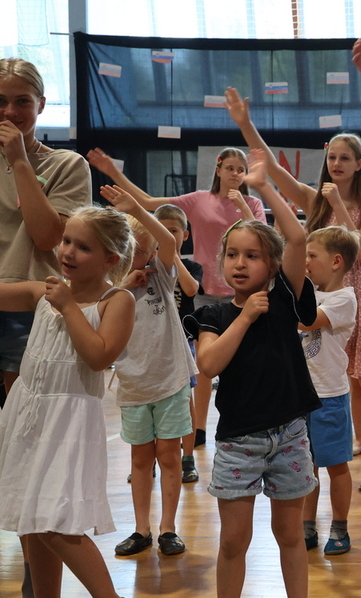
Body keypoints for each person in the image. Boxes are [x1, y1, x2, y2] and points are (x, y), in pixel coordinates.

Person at [185, 162, 323, 598]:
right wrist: (243, 317)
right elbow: (208, 364)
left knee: (290, 537)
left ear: (273, 263)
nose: (240, 264)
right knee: (233, 541)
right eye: (232, 255)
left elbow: (297, 236)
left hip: (289, 434)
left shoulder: (285, 294)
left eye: (253, 255)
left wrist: (264, 186)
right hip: (238, 440)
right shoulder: (214, 312)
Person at [224, 99, 361, 494]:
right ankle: (354, 441)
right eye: (332, 157)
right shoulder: (314, 199)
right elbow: (273, 169)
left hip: (358, 298)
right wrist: (246, 124)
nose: (336, 163)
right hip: (316, 295)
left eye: (345, 158)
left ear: (359, 164)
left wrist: (337, 205)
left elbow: (360, 249)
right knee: (340, 379)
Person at [0, 206, 139, 598]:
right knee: (31, 520)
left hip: (69, 422)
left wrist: (66, 307)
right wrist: (57, 299)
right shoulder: (44, 291)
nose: (68, 252)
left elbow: (99, 356)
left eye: (83, 247)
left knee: (55, 522)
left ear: (111, 258)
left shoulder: (117, 301)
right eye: (66, 242)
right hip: (27, 414)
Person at [89, 146, 267, 452]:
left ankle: (251, 421)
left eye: (241, 169)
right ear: (218, 170)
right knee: (204, 365)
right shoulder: (199, 199)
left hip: (244, 292)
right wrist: (113, 171)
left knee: (248, 361)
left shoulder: (252, 203)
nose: (236, 174)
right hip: (207, 294)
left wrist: (243, 205)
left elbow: (264, 237)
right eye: (230, 168)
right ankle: (199, 430)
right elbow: (148, 203)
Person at [0, 58, 92, 598]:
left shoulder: (66, 165)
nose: (10, 112)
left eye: (21, 101)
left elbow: (47, 236)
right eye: (0, 101)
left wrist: (18, 162)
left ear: (40, 105)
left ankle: (38, 591)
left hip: (30, 317)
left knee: (27, 456)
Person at [102, 186, 198, 557]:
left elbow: (167, 241)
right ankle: (141, 529)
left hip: (170, 380)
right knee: (140, 460)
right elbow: (97, 315)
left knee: (169, 457)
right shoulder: (112, 283)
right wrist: (124, 286)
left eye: (145, 248)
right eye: (135, 249)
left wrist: (140, 210)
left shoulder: (162, 272)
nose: (142, 255)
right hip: (134, 385)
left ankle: (168, 528)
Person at [297, 224, 360, 555]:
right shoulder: (308, 292)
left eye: (311, 255)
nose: (305, 262)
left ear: (336, 262)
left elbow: (306, 321)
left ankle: (340, 527)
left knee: (335, 466)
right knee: (306, 465)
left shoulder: (343, 298)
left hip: (329, 396)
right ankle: (307, 525)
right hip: (300, 396)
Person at [153, 204, 204, 483]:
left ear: (185, 235)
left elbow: (191, 288)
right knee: (149, 399)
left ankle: (188, 458)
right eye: (160, 230)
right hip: (151, 341)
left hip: (182, 342)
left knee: (185, 399)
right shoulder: (148, 264)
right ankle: (147, 457)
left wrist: (172, 253)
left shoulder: (192, 266)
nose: (166, 235)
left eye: (172, 231)